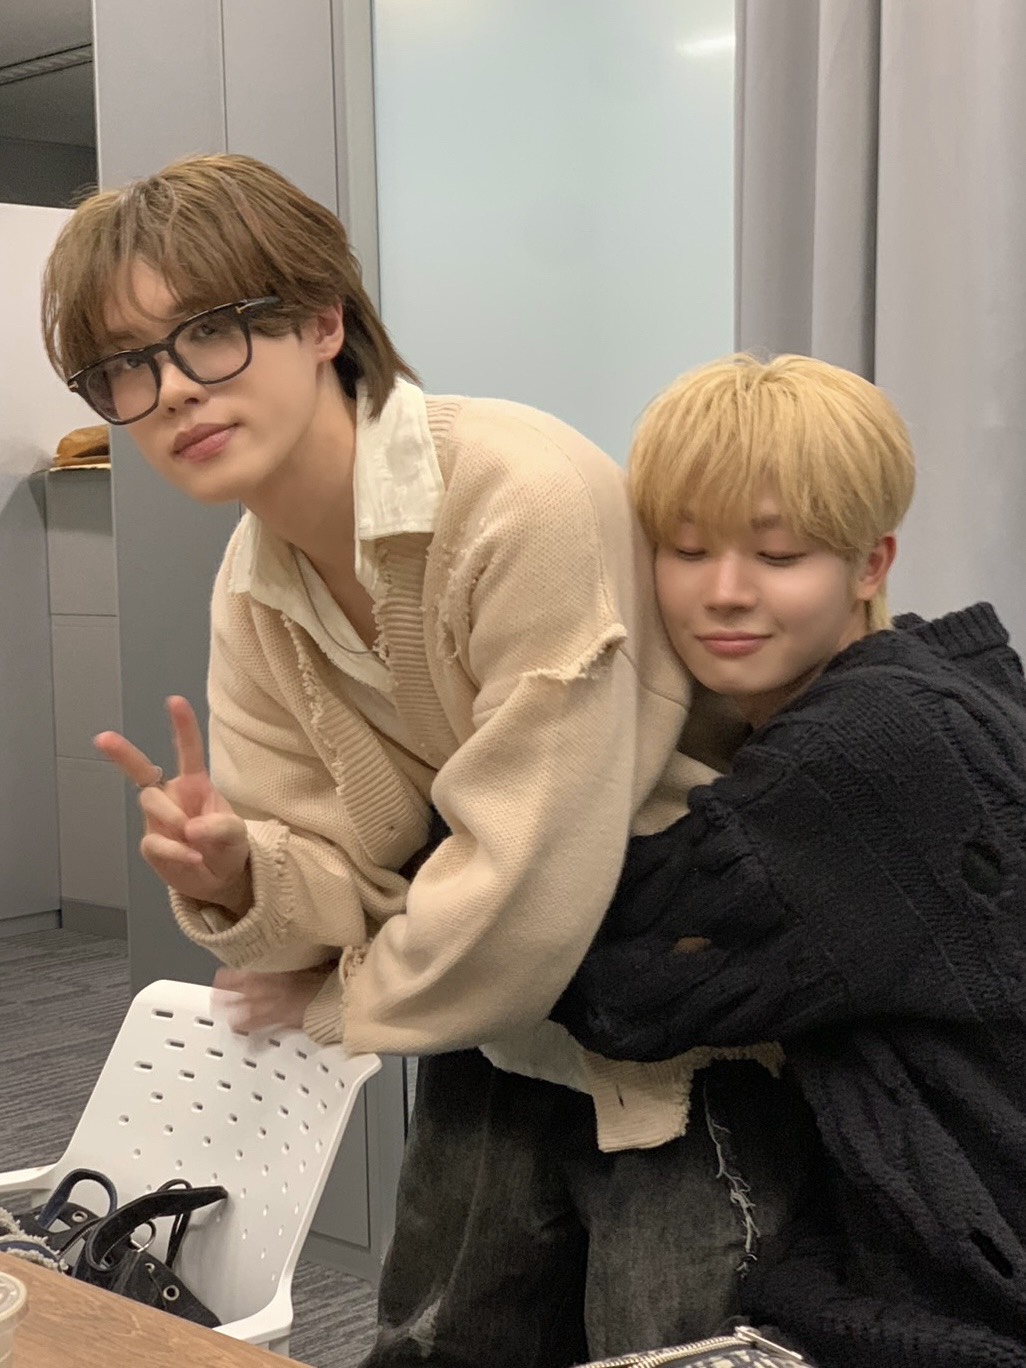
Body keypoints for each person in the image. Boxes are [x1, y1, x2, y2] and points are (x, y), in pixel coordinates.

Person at [40, 156, 806, 1366]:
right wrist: (241, 872)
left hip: (691, 1019)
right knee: (439, 1347)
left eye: (212, 333)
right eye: (125, 367)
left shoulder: (516, 495)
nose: (173, 389)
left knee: (674, 1350)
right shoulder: (254, 585)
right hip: (495, 1026)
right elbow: (336, 883)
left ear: (322, 321)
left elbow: (526, 878)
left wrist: (338, 997)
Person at [552, 352, 1026, 1367]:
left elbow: (616, 978)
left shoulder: (865, 746)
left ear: (870, 565)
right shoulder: (930, 687)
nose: (725, 593)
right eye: (686, 549)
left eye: (778, 555)